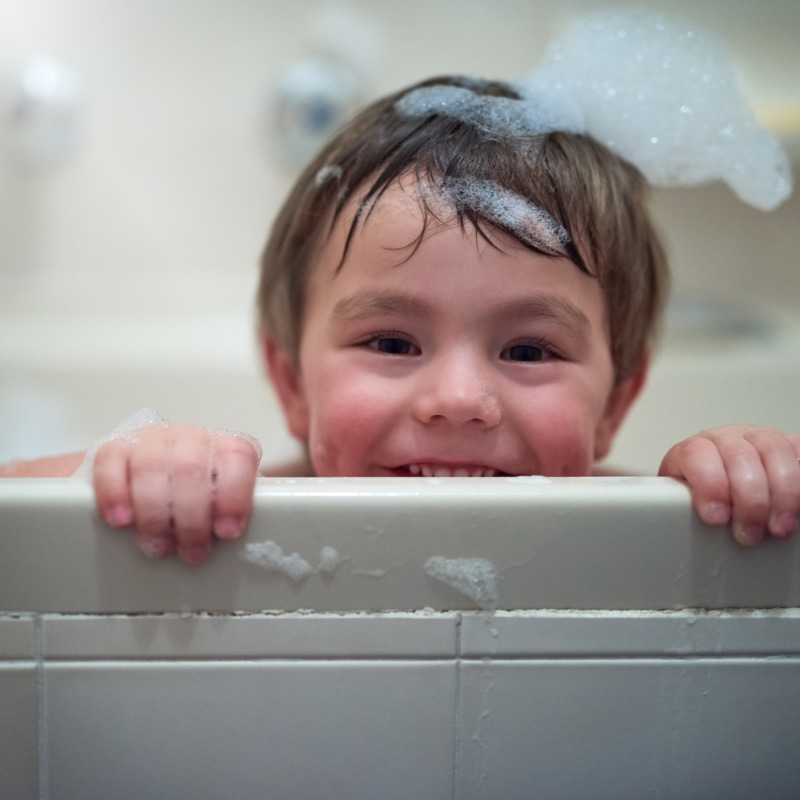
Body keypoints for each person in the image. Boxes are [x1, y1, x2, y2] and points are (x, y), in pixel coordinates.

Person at [3, 76, 799, 564]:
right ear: (292, 384)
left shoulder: (643, 516)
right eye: (391, 342)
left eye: (528, 349)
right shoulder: (249, 506)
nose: (458, 398)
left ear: (616, 406)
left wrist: (736, 482)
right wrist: (128, 468)